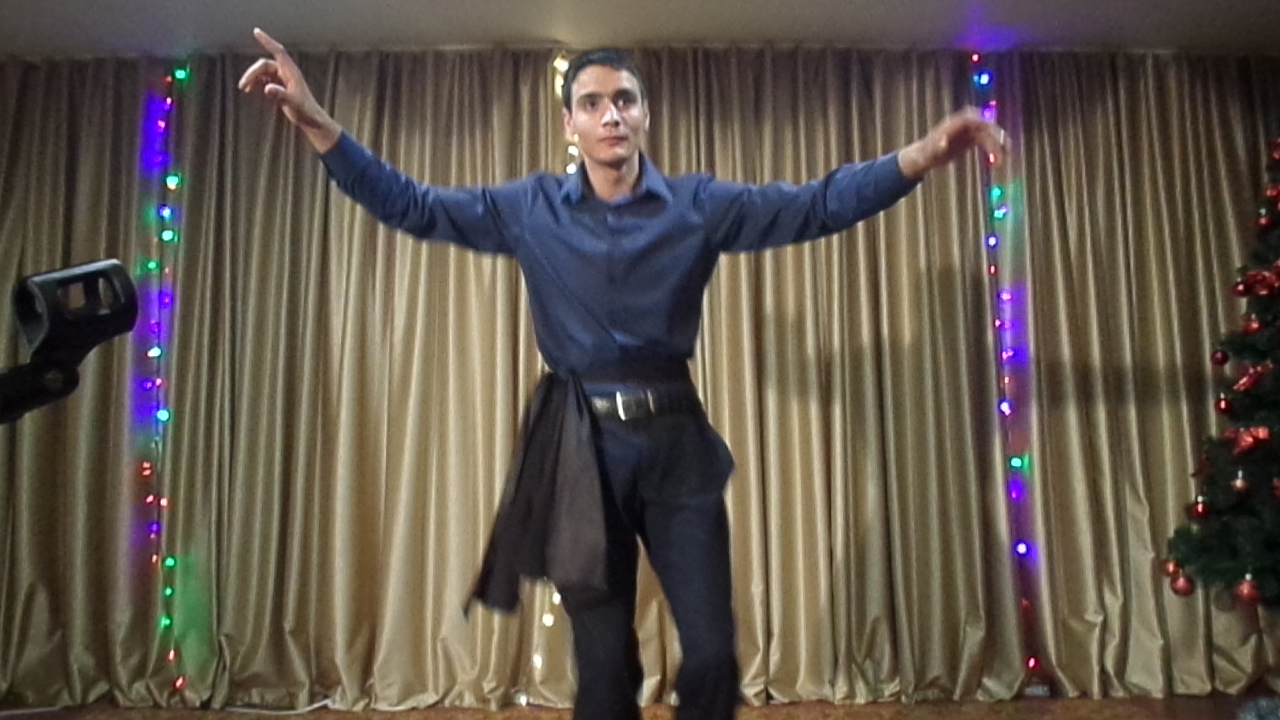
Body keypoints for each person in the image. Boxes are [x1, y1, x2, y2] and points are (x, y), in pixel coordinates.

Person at [239, 28, 1005, 720]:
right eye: (593, 103)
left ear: (645, 116)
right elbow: (411, 205)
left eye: (625, 101)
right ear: (569, 125)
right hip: (581, 454)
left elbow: (815, 205)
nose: (612, 115)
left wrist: (919, 156)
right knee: (604, 672)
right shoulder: (531, 208)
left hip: (676, 447)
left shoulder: (697, 205)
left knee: (712, 655)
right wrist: (316, 121)